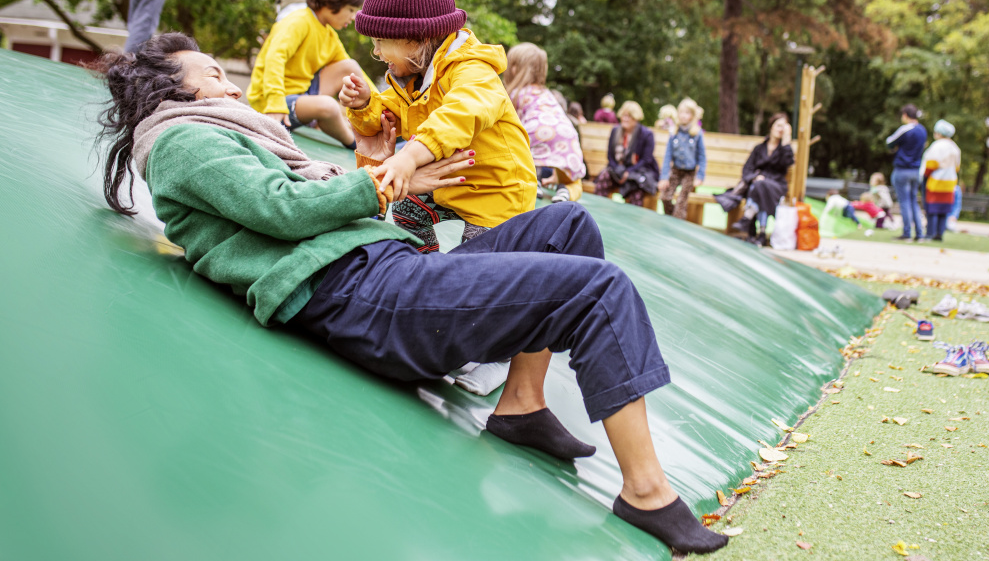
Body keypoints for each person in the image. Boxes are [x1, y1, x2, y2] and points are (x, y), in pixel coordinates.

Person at [91, 33, 727, 556]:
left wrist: (385, 169)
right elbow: (279, 210)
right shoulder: (180, 141)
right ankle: (646, 493)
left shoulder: (222, 131)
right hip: (360, 296)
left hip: (380, 268)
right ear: (174, 88)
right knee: (597, 289)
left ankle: (521, 405)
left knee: (567, 224)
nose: (229, 83)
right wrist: (386, 182)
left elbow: (318, 200)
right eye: (211, 74)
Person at [337, 0, 537, 248]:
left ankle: (454, 277)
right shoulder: (414, 81)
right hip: (447, 182)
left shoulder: (473, 70)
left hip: (496, 192)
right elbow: (388, 120)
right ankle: (423, 266)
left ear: (415, 38)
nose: (378, 53)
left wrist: (408, 157)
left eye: (381, 42)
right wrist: (364, 106)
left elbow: (460, 114)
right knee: (407, 207)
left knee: (478, 267)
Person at [246, 0, 374, 149]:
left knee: (350, 67)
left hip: (302, 94)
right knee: (328, 106)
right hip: (272, 104)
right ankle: (356, 142)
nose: (353, 17)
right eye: (351, 10)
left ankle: (376, 121)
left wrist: (385, 105)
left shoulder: (329, 35)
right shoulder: (298, 21)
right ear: (333, 2)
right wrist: (275, 103)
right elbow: (274, 58)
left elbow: (356, 74)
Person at [504, 42, 586, 204]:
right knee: (575, 183)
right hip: (567, 137)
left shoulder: (515, 94)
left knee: (523, 154)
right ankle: (566, 191)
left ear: (515, 69)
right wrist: (560, 173)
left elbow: (511, 129)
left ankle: (534, 183)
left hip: (535, 134)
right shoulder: (546, 93)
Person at [722, 113, 795, 247]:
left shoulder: (784, 148)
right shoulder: (759, 148)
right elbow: (747, 169)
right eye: (778, 125)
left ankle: (747, 219)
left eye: (784, 127)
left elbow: (787, 163)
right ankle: (761, 234)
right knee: (759, 187)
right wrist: (755, 177)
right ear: (771, 127)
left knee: (759, 187)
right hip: (758, 185)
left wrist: (786, 142)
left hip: (777, 186)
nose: (780, 129)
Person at [592, 101, 659, 207]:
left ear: (636, 118)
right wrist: (619, 170)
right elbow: (610, 156)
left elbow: (646, 160)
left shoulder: (646, 134)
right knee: (604, 176)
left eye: (629, 116)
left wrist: (628, 172)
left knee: (636, 189)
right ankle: (596, 209)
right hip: (617, 170)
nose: (625, 119)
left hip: (637, 172)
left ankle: (633, 220)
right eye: (624, 115)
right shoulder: (615, 131)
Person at [886, 104, 928, 241]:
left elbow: (889, 142)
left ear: (905, 115)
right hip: (916, 171)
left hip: (903, 170)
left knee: (904, 202)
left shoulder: (906, 128)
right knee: (913, 201)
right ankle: (920, 233)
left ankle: (907, 233)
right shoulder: (923, 131)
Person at [659, 98, 706, 219]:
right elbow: (667, 156)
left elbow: (702, 156)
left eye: (688, 113)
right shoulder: (674, 132)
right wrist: (664, 177)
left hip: (689, 173)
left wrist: (700, 176)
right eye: (682, 112)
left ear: (693, 116)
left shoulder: (696, 133)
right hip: (676, 170)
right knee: (665, 197)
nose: (684, 116)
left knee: (681, 201)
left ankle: (677, 223)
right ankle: (671, 218)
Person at [920, 119, 961, 241]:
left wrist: (925, 176)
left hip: (935, 181)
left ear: (938, 133)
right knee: (943, 209)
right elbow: (957, 167)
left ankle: (930, 233)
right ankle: (939, 234)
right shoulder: (955, 148)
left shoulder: (937, 146)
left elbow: (931, 164)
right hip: (950, 182)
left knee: (932, 208)